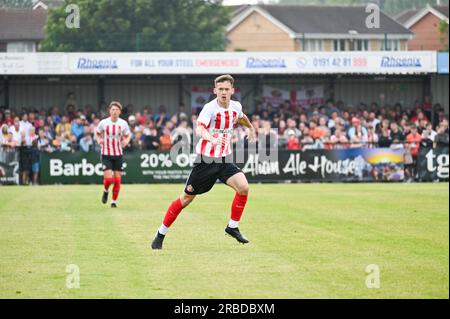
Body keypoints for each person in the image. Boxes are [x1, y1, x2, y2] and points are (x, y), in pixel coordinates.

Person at [151, 74, 256, 250]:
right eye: (220, 89)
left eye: (226, 89)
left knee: (244, 187)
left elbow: (241, 116)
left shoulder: (236, 106)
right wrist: (212, 139)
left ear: (232, 90)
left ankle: (232, 227)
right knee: (185, 199)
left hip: (224, 160)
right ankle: (160, 234)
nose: (223, 92)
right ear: (215, 90)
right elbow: (200, 128)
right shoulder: (209, 108)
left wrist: (251, 128)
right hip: (205, 161)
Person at [95, 101, 131, 208]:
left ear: (119, 112)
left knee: (117, 179)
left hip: (118, 154)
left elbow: (128, 135)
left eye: (116, 110)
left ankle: (114, 201)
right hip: (106, 153)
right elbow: (97, 133)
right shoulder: (103, 123)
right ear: (109, 111)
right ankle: (106, 190)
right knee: (109, 179)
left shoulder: (123, 123)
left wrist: (126, 141)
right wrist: (99, 140)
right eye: (113, 109)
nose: (114, 111)